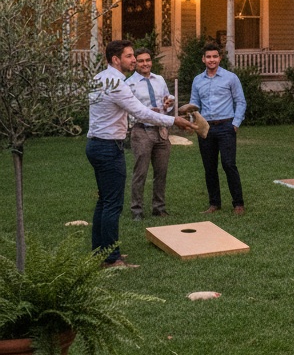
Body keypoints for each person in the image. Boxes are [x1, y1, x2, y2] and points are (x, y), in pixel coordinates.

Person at [86, 40, 195, 267]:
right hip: (108, 148)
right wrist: (174, 119)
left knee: (104, 202)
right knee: (112, 204)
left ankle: (101, 252)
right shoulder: (117, 82)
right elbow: (141, 112)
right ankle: (111, 258)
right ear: (116, 59)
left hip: (95, 145)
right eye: (129, 56)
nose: (134, 60)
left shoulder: (98, 78)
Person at [189, 42, 247, 215]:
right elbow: (194, 105)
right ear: (203, 59)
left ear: (220, 58)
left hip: (226, 127)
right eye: (208, 57)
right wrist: (194, 122)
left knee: (229, 164)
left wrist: (235, 124)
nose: (212, 60)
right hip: (206, 129)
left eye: (215, 56)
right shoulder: (198, 80)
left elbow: (241, 101)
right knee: (209, 167)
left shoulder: (230, 78)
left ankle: (238, 203)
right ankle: (214, 203)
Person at [125, 47, 174, 219]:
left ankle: (159, 208)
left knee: (161, 172)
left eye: (148, 60)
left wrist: (169, 104)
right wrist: (147, 111)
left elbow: (169, 100)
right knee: (141, 172)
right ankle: (136, 210)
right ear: (135, 63)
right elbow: (128, 110)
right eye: (141, 61)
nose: (145, 64)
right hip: (142, 131)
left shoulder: (159, 79)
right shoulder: (129, 84)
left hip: (161, 131)